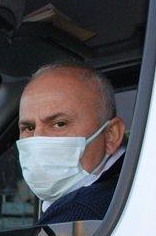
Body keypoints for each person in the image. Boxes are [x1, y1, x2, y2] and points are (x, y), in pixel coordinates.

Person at [15, 61, 127, 225]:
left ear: (111, 135)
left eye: (59, 124)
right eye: (29, 127)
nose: (38, 138)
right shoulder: (131, 184)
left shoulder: (79, 216)